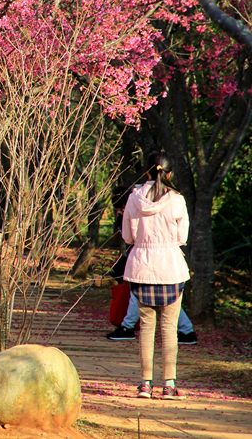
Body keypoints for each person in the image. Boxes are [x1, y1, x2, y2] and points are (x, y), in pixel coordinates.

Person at [122, 152, 190, 400]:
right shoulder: (177, 200)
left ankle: (145, 384)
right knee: (170, 329)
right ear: (169, 173)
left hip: (141, 267)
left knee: (146, 327)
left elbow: (127, 237)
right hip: (171, 268)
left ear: (147, 172)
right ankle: (169, 385)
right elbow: (182, 238)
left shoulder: (134, 198)